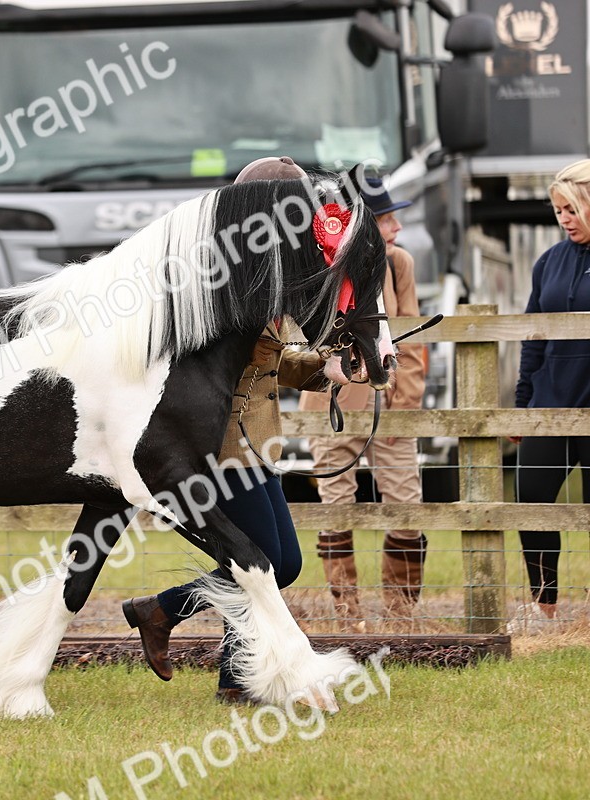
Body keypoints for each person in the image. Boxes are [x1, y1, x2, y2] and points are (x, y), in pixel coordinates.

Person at [121, 156, 333, 704]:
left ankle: (210, 656)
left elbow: (274, 362)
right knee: (266, 563)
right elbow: (230, 360)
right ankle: (177, 624)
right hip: (221, 442)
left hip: (257, 441)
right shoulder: (221, 276)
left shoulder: (266, 271)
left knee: (273, 562)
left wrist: (323, 368)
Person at [300, 173, 427, 632]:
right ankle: (347, 613)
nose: (397, 227)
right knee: (336, 505)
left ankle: (401, 614)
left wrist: (405, 402)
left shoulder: (398, 263)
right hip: (331, 404)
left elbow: (412, 334)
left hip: (389, 404)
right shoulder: (319, 264)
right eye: (387, 218)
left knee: (407, 504)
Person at [507, 159, 590, 635]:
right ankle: (545, 607)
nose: (564, 219)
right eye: (559, 211)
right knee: (533, 505)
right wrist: (522, 406)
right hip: (548, 407)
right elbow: (533, 337)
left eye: (572, 209)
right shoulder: (549, 262)